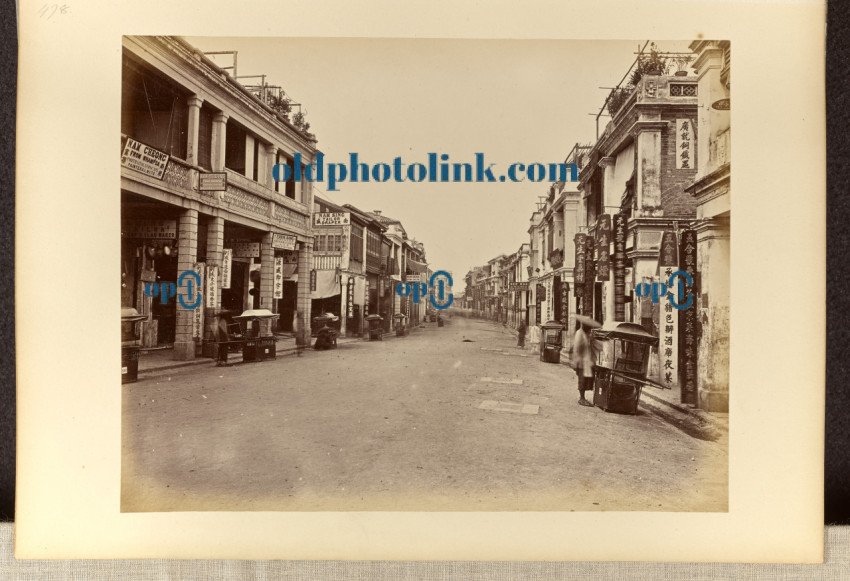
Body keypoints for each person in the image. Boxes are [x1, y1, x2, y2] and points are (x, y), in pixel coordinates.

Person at [572, 323, 597, 407]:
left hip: (587, 361)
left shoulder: (586, 334)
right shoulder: (579, 334)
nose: (590, 330)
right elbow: (576, 349)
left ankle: (583, 398)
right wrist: (576, 363)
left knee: (586, 380)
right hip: (581, 362)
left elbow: (591, 346)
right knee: (582, 380)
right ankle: (582, 398)